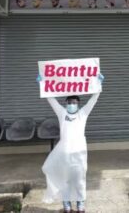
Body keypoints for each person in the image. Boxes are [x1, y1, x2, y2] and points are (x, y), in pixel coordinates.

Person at [42, 75, 103, 213]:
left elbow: (93, 101)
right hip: (64, 153)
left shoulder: (83, 114)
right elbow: (51, 100)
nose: (72, 104)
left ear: (78, 103)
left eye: (74, 102)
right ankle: (66, 202)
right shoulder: (62, 113)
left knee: (79, 179)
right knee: (65, 178)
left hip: (80, 153)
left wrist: (98, 86)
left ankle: (80, 202)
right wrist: (43, 83)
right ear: (66, 104)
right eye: (69, 102)